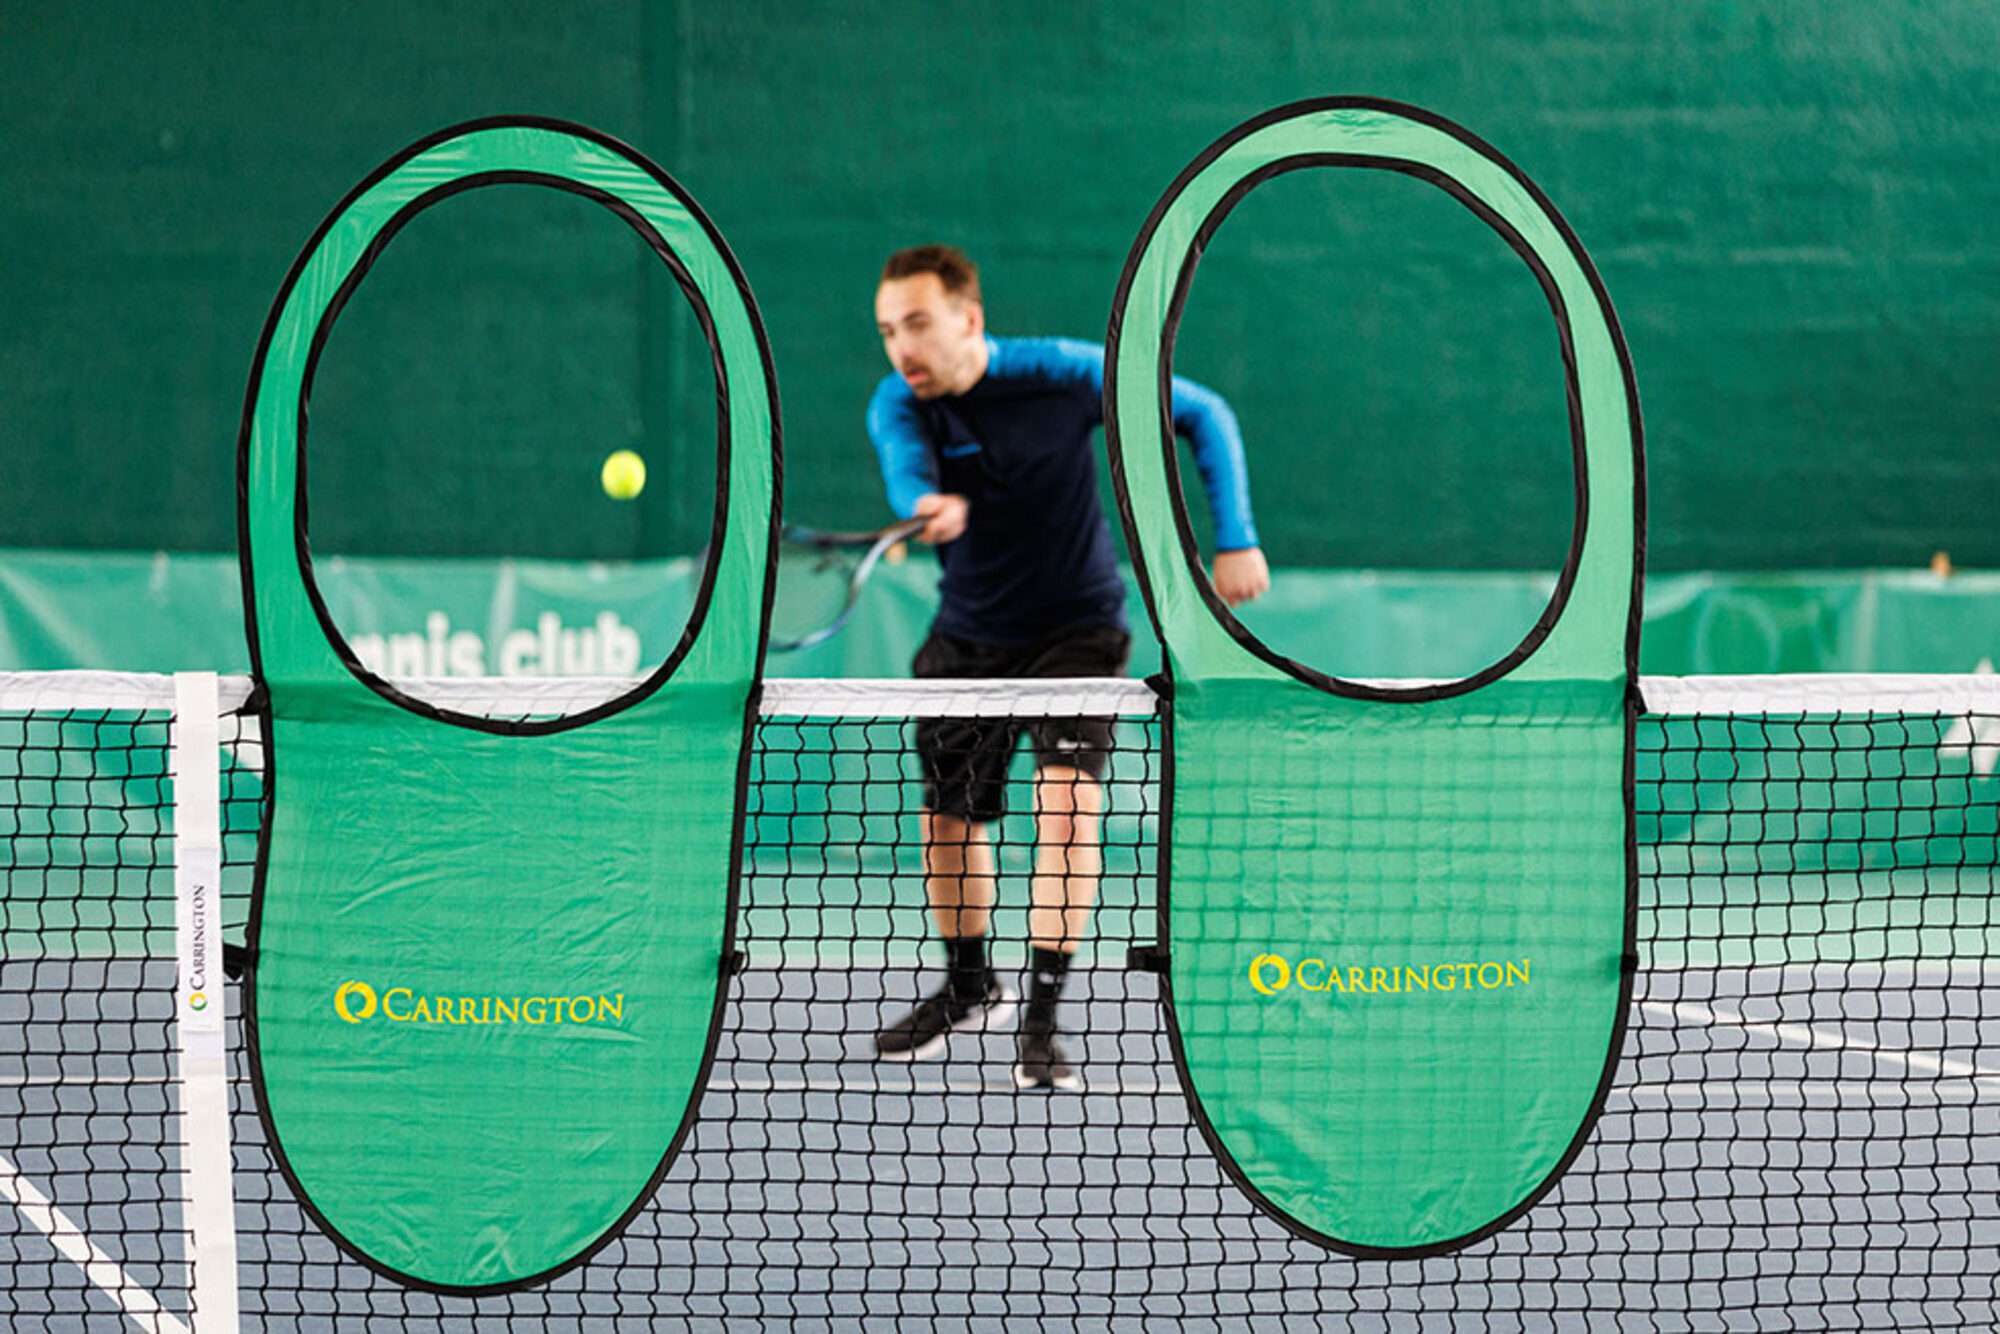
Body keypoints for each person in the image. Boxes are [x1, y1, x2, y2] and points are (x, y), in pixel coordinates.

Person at [866, 244, 1267, 1090]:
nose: (902, 347)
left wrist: (1234, 537)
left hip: (1077, 633)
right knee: (949, 822)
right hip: (969, 638)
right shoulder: (900, 404)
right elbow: (904, 468)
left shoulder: (1060, 373)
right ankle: (970, 984)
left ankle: (1042, 1020)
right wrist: (921, 504)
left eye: (918, 324)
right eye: (889, 330)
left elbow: (1205, 412)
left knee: (1069, 810)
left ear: (969, 319)